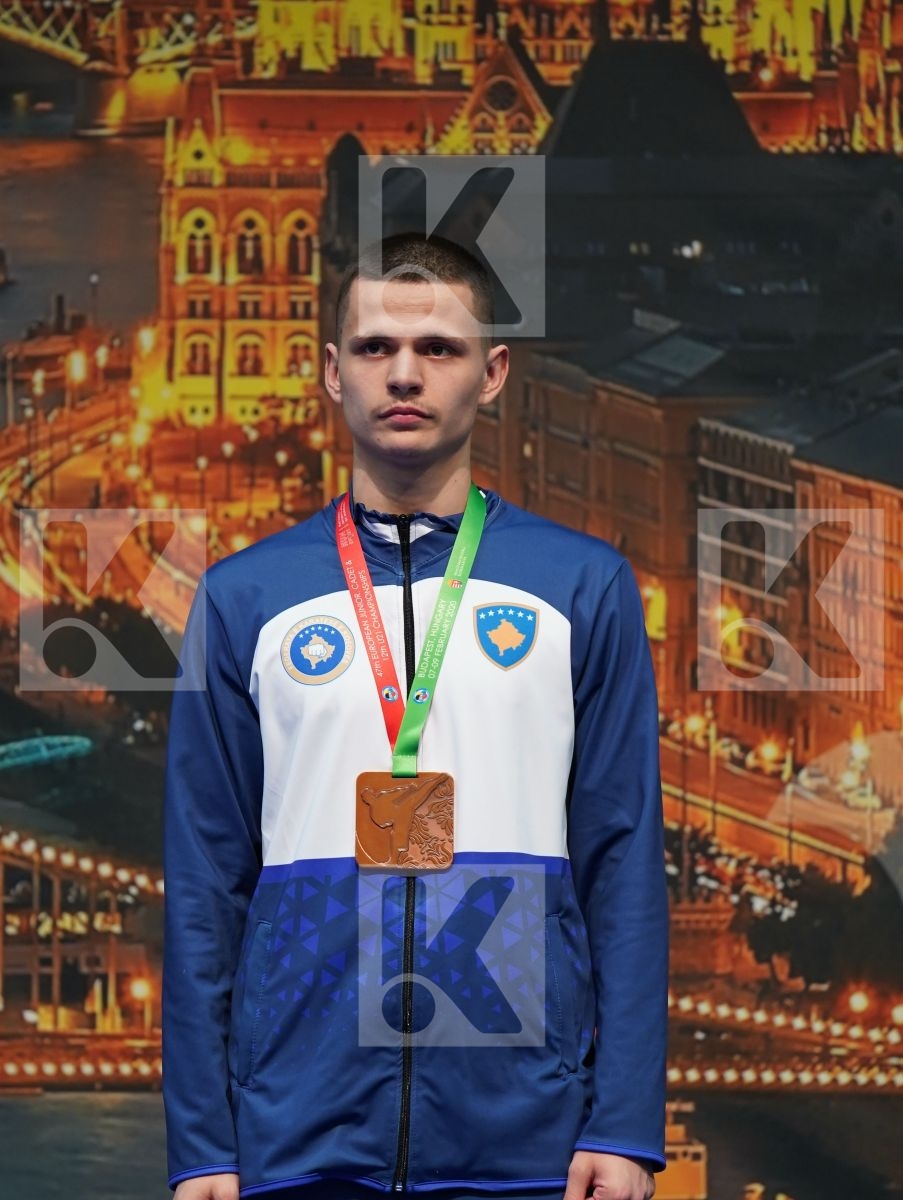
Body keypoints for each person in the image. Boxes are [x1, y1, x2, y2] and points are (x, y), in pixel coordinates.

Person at [162, 232, 669, 1200]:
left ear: (493, 374)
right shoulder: (244, 600)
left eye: (438, 348)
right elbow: (204, 886)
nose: (404, 374)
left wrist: (625, 1123)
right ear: (330, 374)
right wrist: (204, 1145)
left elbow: (625, 867)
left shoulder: (586, 587)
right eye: (374, 348)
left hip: (529, 1132)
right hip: (292, 1135)